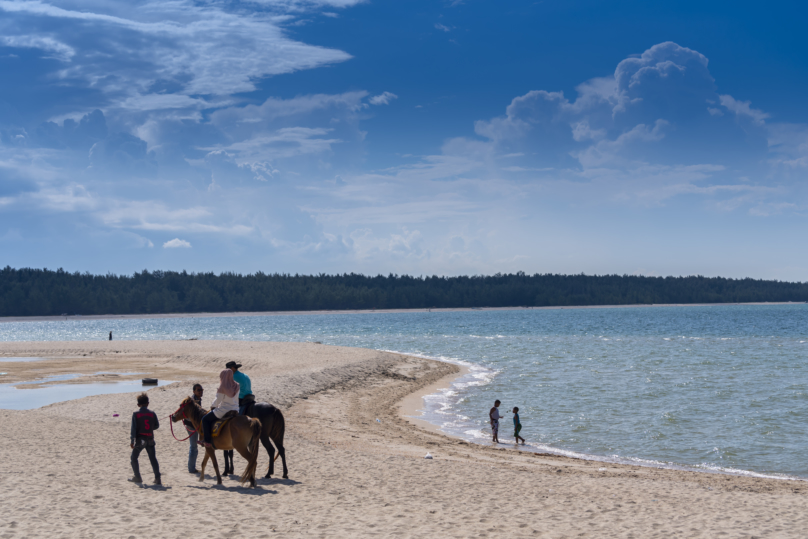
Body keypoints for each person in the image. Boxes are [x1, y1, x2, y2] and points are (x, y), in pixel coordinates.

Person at [200, 370, 239, 449]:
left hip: (224, 410)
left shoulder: (223, 387)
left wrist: (212, 406)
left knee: (205, 419)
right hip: (235, 409)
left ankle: (207, 441)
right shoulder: (236, 385)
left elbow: (217, 400)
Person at [129, 393, 161, 485]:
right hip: (150, 439)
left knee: (134, 457)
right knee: (153, 458)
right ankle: (157, 478)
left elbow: (133, 429)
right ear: (148, 403)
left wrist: (132, 441)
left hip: (140, 440)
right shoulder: (152, 413)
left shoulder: (136, 414)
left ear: (138, 405)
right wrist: (150, 428)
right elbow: (156, 426)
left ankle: (137, 477)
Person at [186, 383, 204, 473]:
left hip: (196, 425)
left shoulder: (198, 400)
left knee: (194, 447)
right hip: (191, 426)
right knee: (193, 447)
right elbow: (188, 416)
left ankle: (192, 467)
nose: (201, 392)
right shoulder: (192, 401)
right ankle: (191, 468)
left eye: (201, 390)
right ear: (194, 391)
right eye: (199, 390)